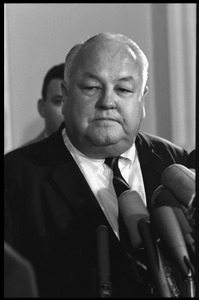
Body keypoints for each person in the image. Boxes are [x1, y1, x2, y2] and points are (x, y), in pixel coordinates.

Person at [4, 33, 194, 298]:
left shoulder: (176, 162)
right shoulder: (14, 178)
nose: (107, 101)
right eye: (91, 87)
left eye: (124, 89)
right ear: (66, 94)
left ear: (142, 98)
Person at [26, 63, 65, 144]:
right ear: (42, 108)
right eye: (59, 101)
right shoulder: (20, 156)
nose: (68, 110)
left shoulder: (96, 153)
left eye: (73, 102)